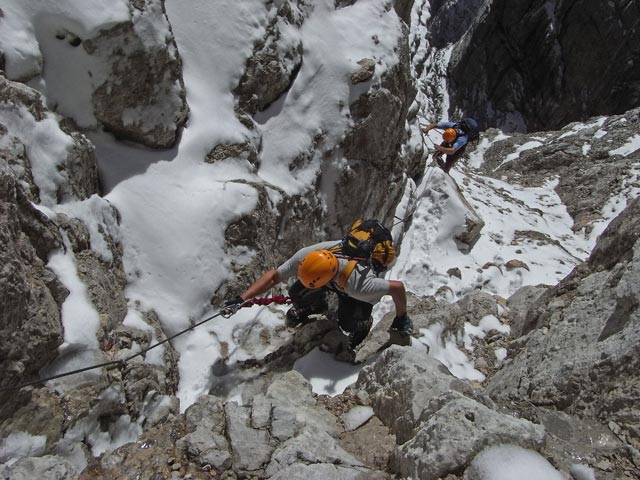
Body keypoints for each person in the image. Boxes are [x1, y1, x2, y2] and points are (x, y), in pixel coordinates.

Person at [223, 239, 412, 353]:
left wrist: (401, 317)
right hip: (335, 279)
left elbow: (397, 287)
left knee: (346, 323)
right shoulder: (307, 257)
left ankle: (363, 323)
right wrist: (242, 299)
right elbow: (274, 277)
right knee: (296, 292)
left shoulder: (359, 286)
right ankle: (316, 306)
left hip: (350, 286)